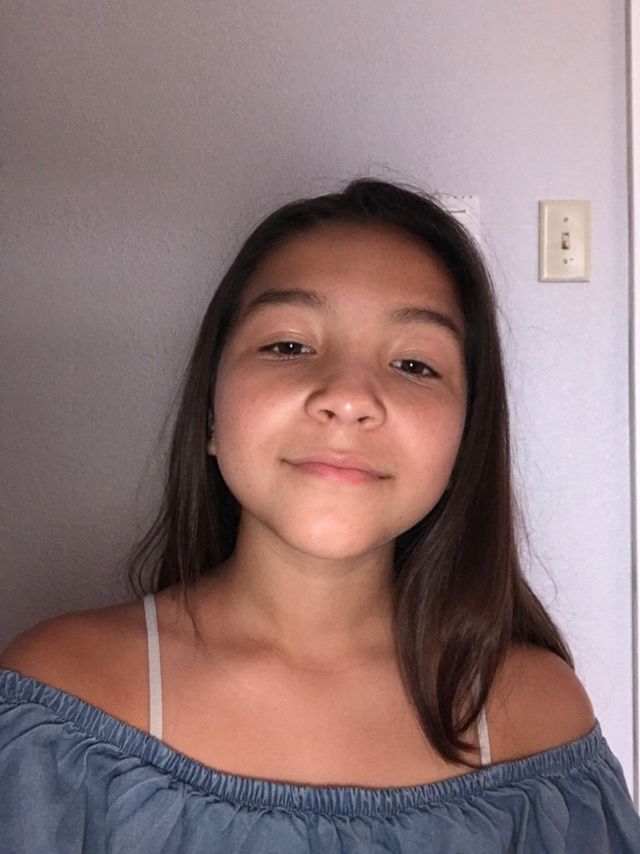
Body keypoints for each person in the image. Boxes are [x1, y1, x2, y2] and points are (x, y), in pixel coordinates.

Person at [0, 178, 638, 852]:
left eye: (414, 363)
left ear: (464, 439)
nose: (348, 397)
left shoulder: (540, 722)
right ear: (211, 411)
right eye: (289, 347)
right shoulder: (58, 701)